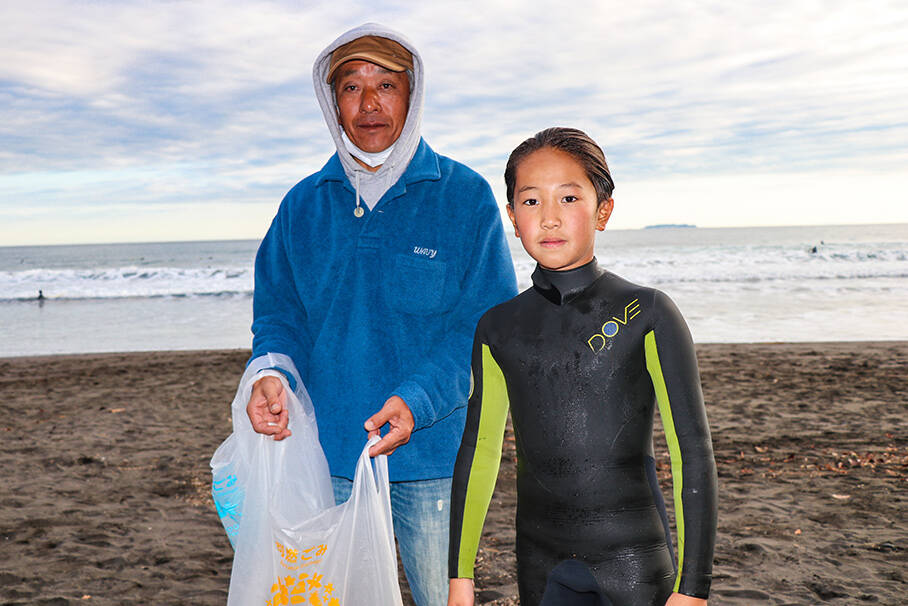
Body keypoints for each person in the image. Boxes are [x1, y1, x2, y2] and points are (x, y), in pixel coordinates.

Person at [244, 23, 517, 606]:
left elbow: (482, 329)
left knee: (443, 597)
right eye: (351, 87)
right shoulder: (301, 206)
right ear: (331, 99)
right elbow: (278, 316)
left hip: (433, 459)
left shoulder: (464, 197)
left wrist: (416, 402)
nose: (369, 104)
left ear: (411, 94)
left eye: (386, 85)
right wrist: (271, 373)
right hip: (328, 454)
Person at [448, 128, 717, 606]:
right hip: (538, 563)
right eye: (530, 202)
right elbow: (481, 450)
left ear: (603, 210)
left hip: (633, 562)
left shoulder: (646, 312)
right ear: (512, 217)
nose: (549, 218)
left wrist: (692, 588)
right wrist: (461, 576)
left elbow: (691, 451)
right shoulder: (498, 328)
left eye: (568, 197)